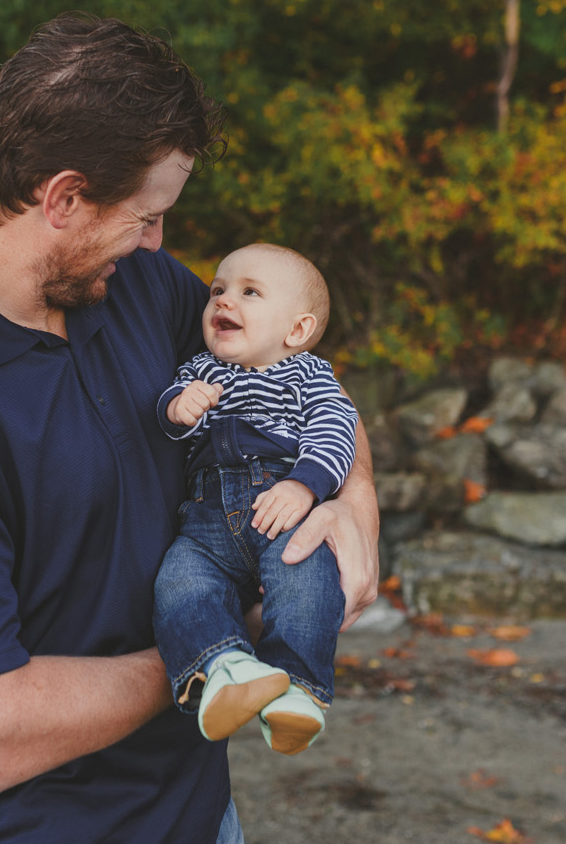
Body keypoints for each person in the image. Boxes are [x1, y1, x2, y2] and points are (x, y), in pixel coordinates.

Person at [0, 14, 379, 844]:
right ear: (64, 198)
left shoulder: (136, 286)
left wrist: (353, 501)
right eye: (145, 216)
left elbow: (305, 383)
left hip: (200, 818)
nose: (160, 240)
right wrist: (213, 653)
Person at [153, 243, 358, 757]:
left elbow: (337, 431)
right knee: (179, 582)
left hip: (280, 510)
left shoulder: (311, 376)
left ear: (296, 331)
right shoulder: (199, 370)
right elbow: (169, 421)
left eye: (249, 292)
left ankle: (299, 690)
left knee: (306, 578)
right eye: (218, 291)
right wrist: (178, 407)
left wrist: (305, 485)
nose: (224, 301)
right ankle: (226, 668)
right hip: (205, 527)